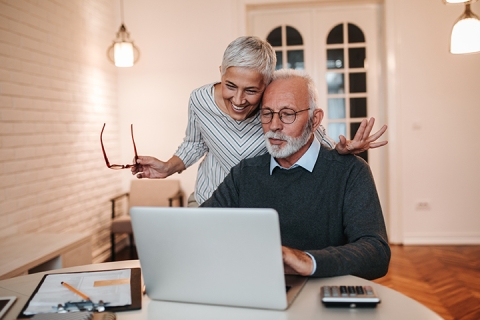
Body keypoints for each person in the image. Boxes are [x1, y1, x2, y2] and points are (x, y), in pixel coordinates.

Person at [132, 36, 387, 207]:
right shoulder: (200, 99)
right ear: (221, 71)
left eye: (251, 91)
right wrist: (167, 167)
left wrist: (340, 150)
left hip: (258, 204)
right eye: (230, 86)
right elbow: (194, 144)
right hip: (208, 199)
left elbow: (310, 131)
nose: (239, 100)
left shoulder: (272, 106)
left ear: (267, 84)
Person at [201, 69, 390, 280]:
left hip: (323, 292)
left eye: (287, 114)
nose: (274, 126)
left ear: (315, 119)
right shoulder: (245, 173)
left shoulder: (350, 171)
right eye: (267, 113)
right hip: (256, 290)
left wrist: (308, 261)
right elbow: (198, 227)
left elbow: (376, 252)